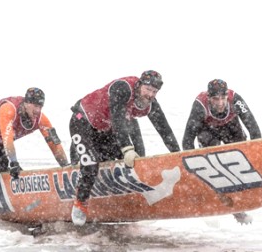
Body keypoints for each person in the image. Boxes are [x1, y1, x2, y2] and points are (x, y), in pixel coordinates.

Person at [69, 70, 181, 226]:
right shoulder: (122, 88)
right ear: (140, 85)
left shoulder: (150, 104)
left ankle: (120, 199)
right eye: (148, 89)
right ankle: (80, 203)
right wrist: (127, 149)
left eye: (154, 92)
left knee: (127, 161)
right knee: (91, 163)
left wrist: (178, 155)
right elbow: (118, 120)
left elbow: (164, 129)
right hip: (82, 123)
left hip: (104, 130)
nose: (150, 94)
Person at [0, 87, 69, 218]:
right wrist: (13, 161)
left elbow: (54, 143)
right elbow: (7, 137)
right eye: (35, 105)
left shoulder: (41, 119)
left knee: (4, 171)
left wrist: (66, 166)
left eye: (40, 106)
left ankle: (9, 202)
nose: (37, 110)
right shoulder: (9, 109)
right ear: (26, 103)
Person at [182, 79, 261, 225]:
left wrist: (255, 156)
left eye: (223, 98)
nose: (220, 103)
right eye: (215, 99)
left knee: (239, 158)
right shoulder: (200, 105)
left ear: (227, 96)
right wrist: (193, 167)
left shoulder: (235, 99)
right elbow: (187, 140)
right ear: (209, 97)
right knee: (213, 163)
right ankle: (229, 205)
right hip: (208, 131)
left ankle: (240, 201)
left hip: (231, 128)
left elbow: (254, 129)